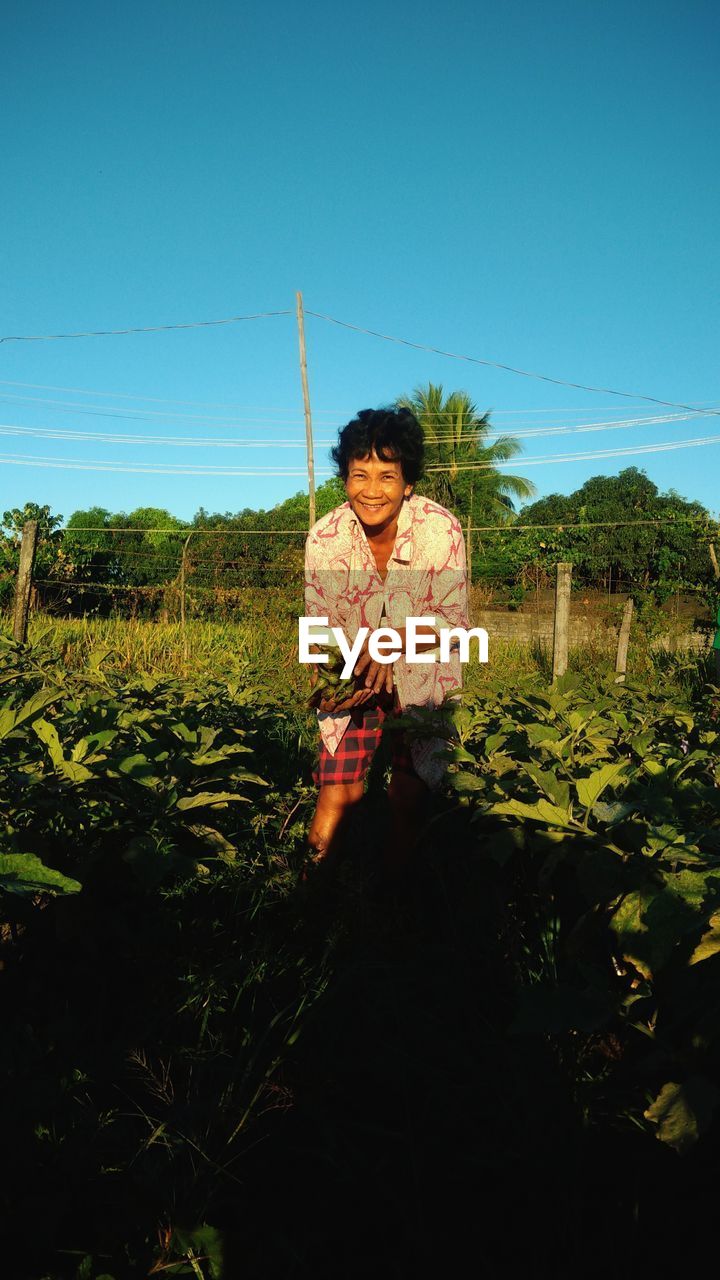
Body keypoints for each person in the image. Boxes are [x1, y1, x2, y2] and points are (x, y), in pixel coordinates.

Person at [303, 405, 469, 878]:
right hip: (353, 669)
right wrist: (350, 666)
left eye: (387, 476)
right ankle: (304, 899)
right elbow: (320, 626)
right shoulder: (326, 539)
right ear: (344, 479)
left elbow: (453, 621)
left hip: (424, 670)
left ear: (408, 483)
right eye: (359, 475)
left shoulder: (442, 531)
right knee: (339, 790)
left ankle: (394, 905)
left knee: (408, 794)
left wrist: (394, 642)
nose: (372, 490)